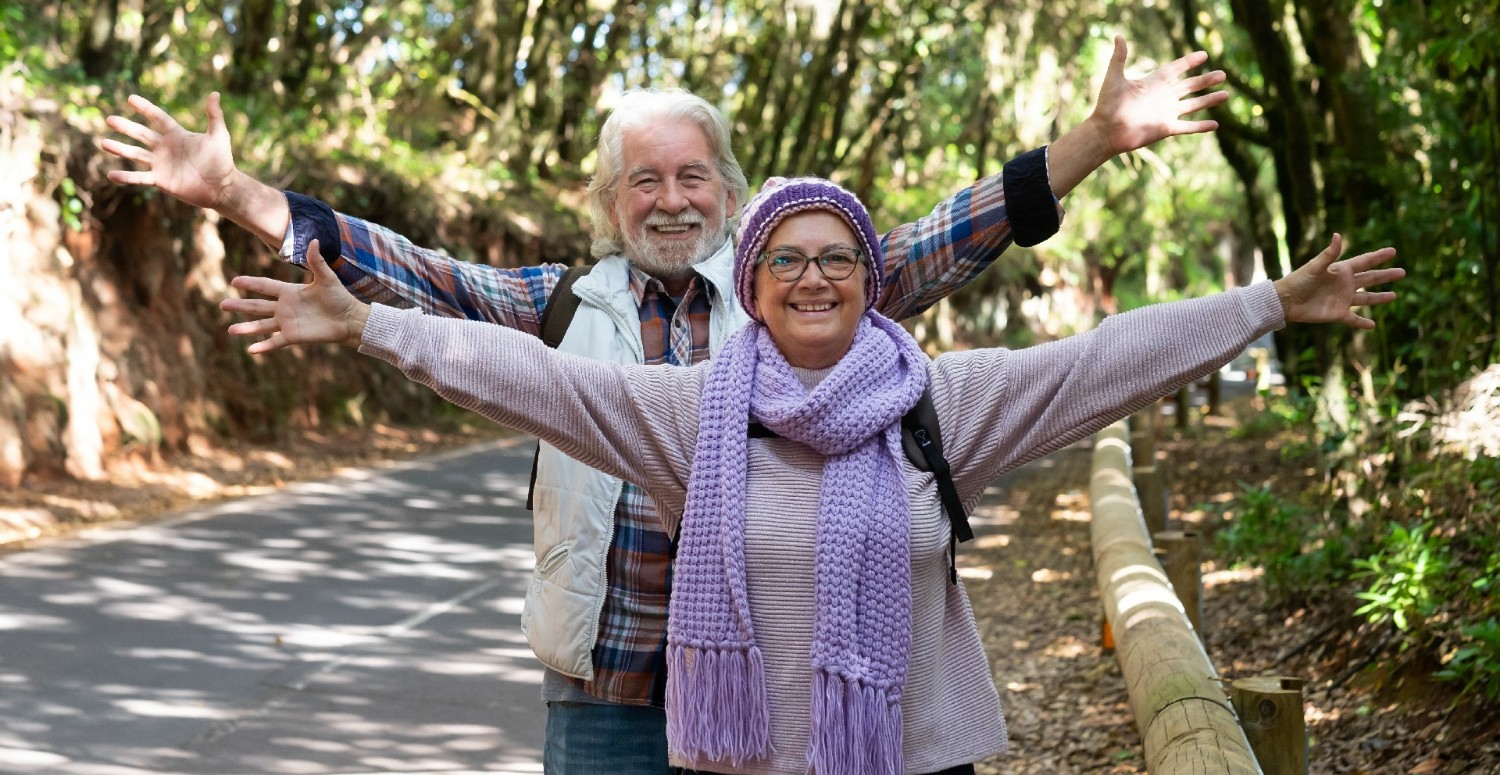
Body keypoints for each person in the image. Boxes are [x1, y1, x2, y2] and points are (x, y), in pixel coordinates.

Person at [103, 37, 1231, 773]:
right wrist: (241, 197)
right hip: (607, 682)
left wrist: (1095, 142)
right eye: (644, 178)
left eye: (693, 176)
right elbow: (416, 279)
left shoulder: (799, 287)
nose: (672, 197)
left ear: (730, 193)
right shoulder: (557, 303)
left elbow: (954, 230)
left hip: (765, 695)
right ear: (608, 201)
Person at [217, 176, 1402, 774]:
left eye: (840, 257)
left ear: (871, 279)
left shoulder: (943, 399)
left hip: (914, 761)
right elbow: (532, 383)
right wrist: (370, 327)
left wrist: (1268, 305)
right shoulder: (695, 413)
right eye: (786, 257)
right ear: (757, 278)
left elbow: (1103, 364)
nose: (815, 276)